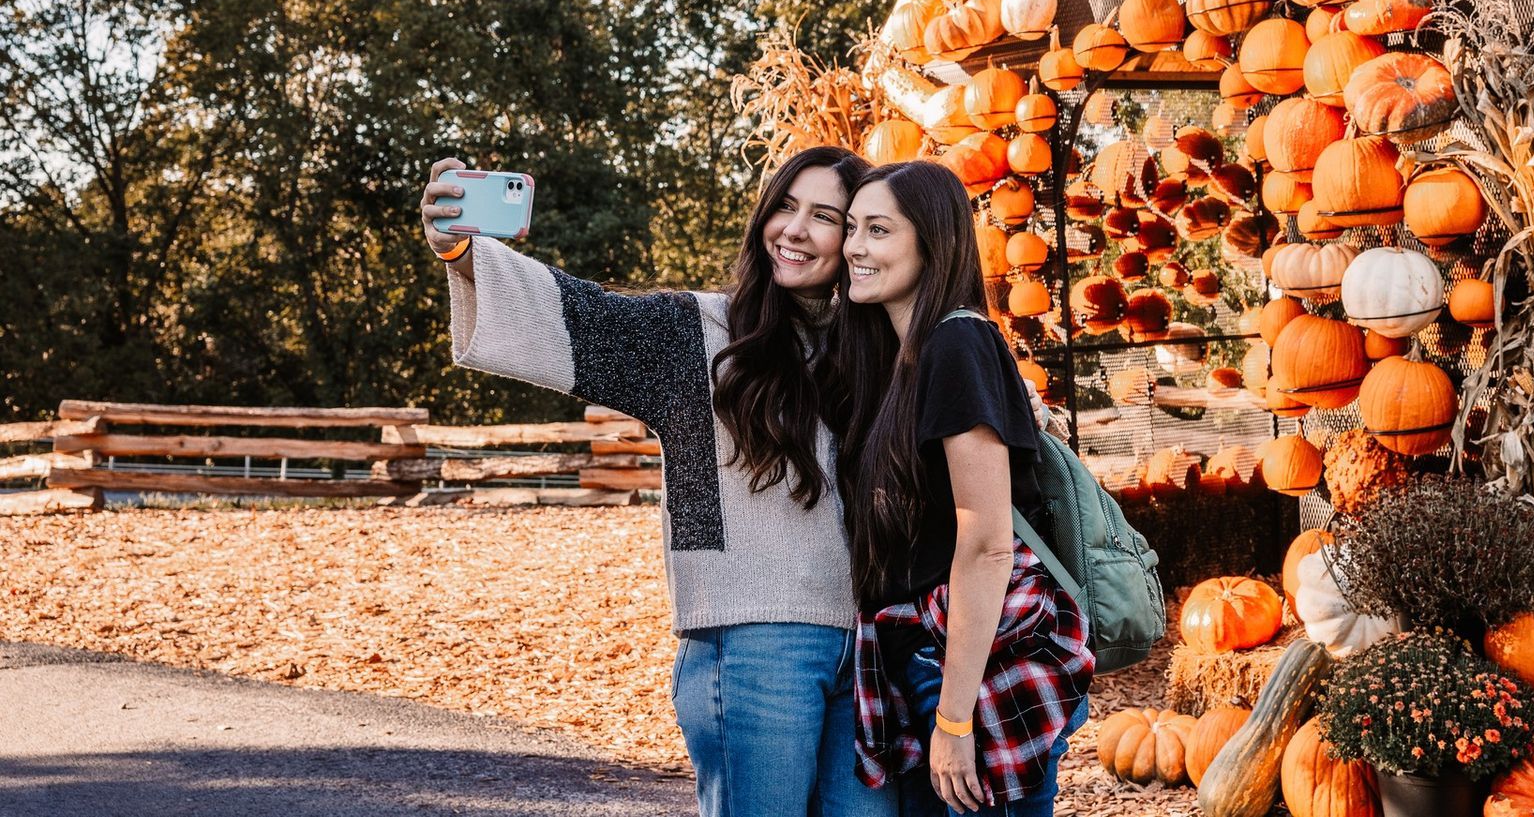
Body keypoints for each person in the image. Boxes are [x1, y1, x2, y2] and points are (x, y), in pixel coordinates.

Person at [418, 146, 897, 817]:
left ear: (854, 236)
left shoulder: (880, 347)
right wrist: (459, 251)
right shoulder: (696, 332)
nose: (794, 228)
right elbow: (575, 316)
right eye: (784, 205)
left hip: (875, 642)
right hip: (753, 642)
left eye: (824, 215)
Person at [833, 161, 1092, 817]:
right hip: (931, 664)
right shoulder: (902, 357)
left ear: (932, 241)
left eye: (878, 230)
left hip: (981, 671)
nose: (854, 246)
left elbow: (986, 544)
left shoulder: (958, 342)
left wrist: (953, 721)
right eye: (852, 228)